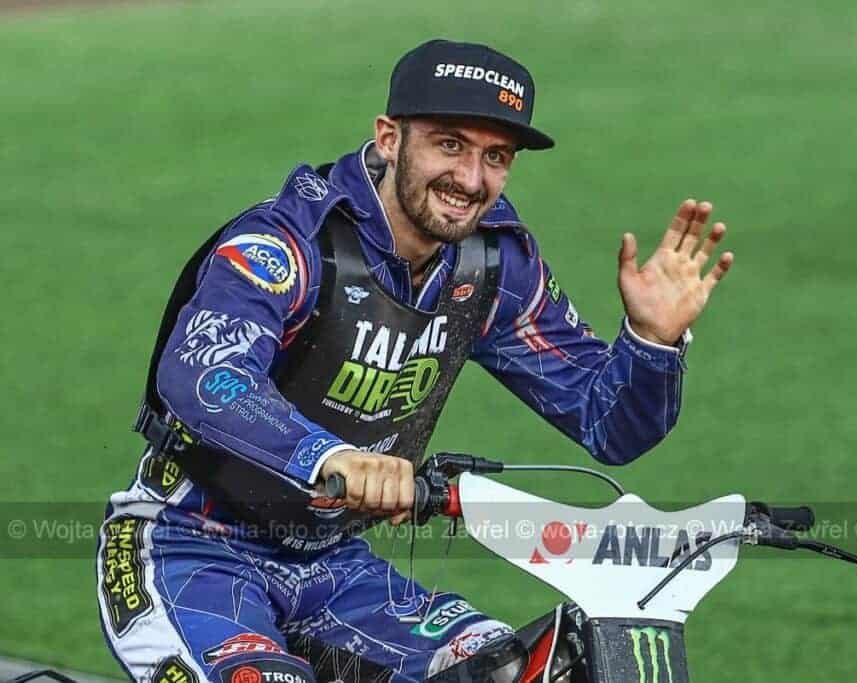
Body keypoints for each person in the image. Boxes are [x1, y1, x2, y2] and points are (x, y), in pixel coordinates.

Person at [97, 39, 733, 682]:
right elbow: (203, 374)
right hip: (188, 549)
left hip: (336, 569)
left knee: (518, 670)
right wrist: (330, 457)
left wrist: (651, 342)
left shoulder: (493, 265)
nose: (471, 179)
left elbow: (609, 424)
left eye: (496, 156)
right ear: (390, 138)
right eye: (450, 145)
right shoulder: (289, 241)